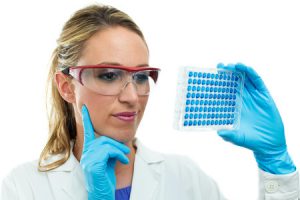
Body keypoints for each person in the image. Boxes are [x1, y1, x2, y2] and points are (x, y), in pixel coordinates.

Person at [1, 4, 299, 200]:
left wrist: (276, 167)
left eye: (142, 76)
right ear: (67, 87)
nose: (132, 97)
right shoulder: (23, 188)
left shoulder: (186, 180)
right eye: (108, 75)